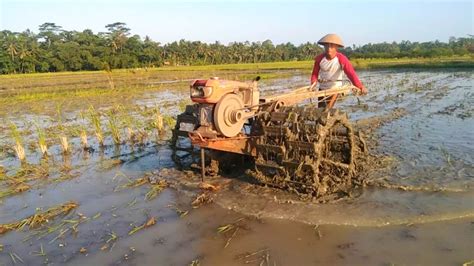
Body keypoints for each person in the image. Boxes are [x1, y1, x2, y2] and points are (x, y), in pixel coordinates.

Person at [310, 34, 367, 107]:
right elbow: (314, 74)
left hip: (335, 89)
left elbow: (351, 74)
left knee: (327, 109)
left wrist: (360, 86)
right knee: (320, 108)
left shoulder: (342, 59)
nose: (328, 48)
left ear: (336, 47)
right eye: (326, 46)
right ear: (324, 46)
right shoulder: (319, 59)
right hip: (322, 88)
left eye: (331, 46)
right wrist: (313, 85)